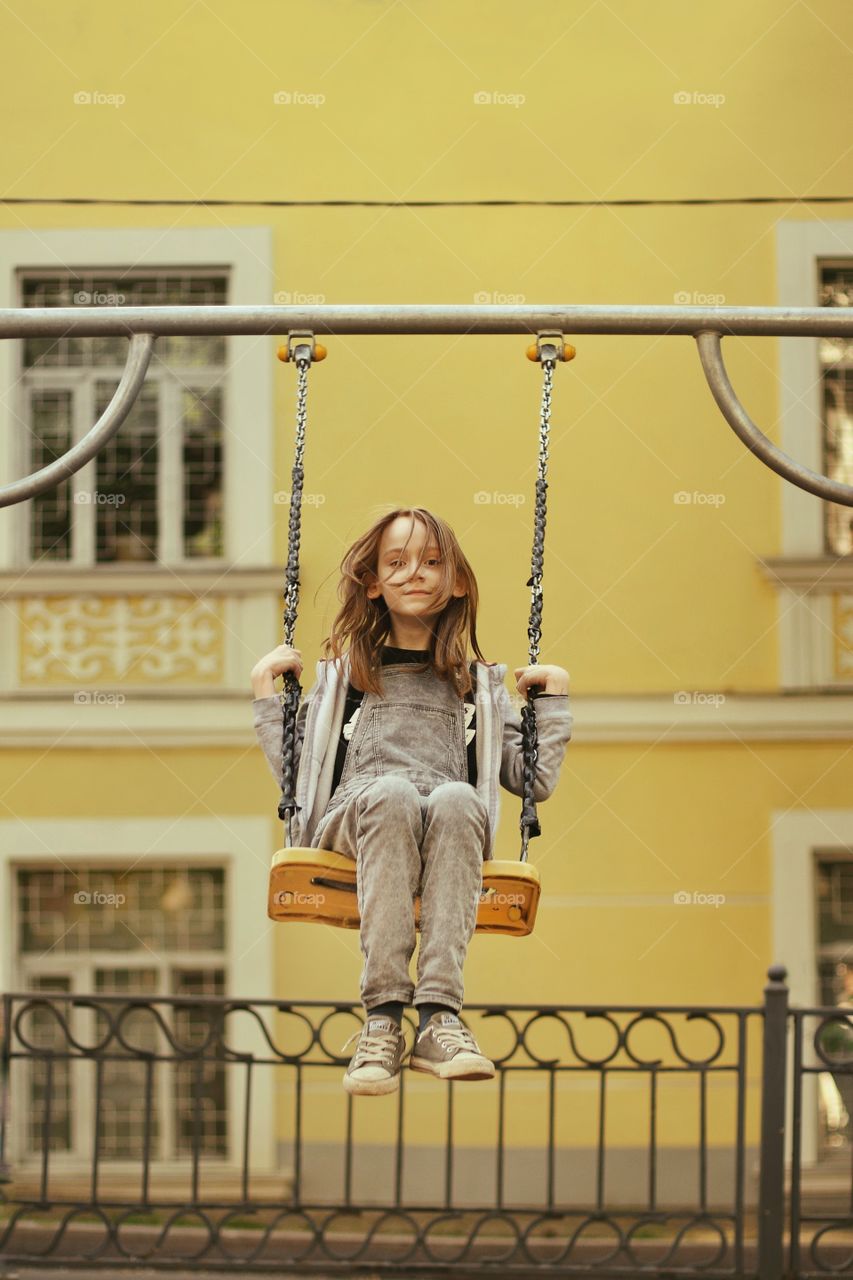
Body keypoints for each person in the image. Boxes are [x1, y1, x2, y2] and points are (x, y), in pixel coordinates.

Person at [251, 506, 572, 1096]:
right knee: (395, 794)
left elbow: (535, 782)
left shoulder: (480, 687)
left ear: (458, 582)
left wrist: (552, 701)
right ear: (373, 581)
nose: (414, 573)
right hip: (356, 814)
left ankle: (438, 1017)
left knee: (454, 797)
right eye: (396, 562)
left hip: (442, 824)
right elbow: (297, 776)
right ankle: (381, 1019)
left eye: (431, 562)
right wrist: (268, 697)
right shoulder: (345, 676)